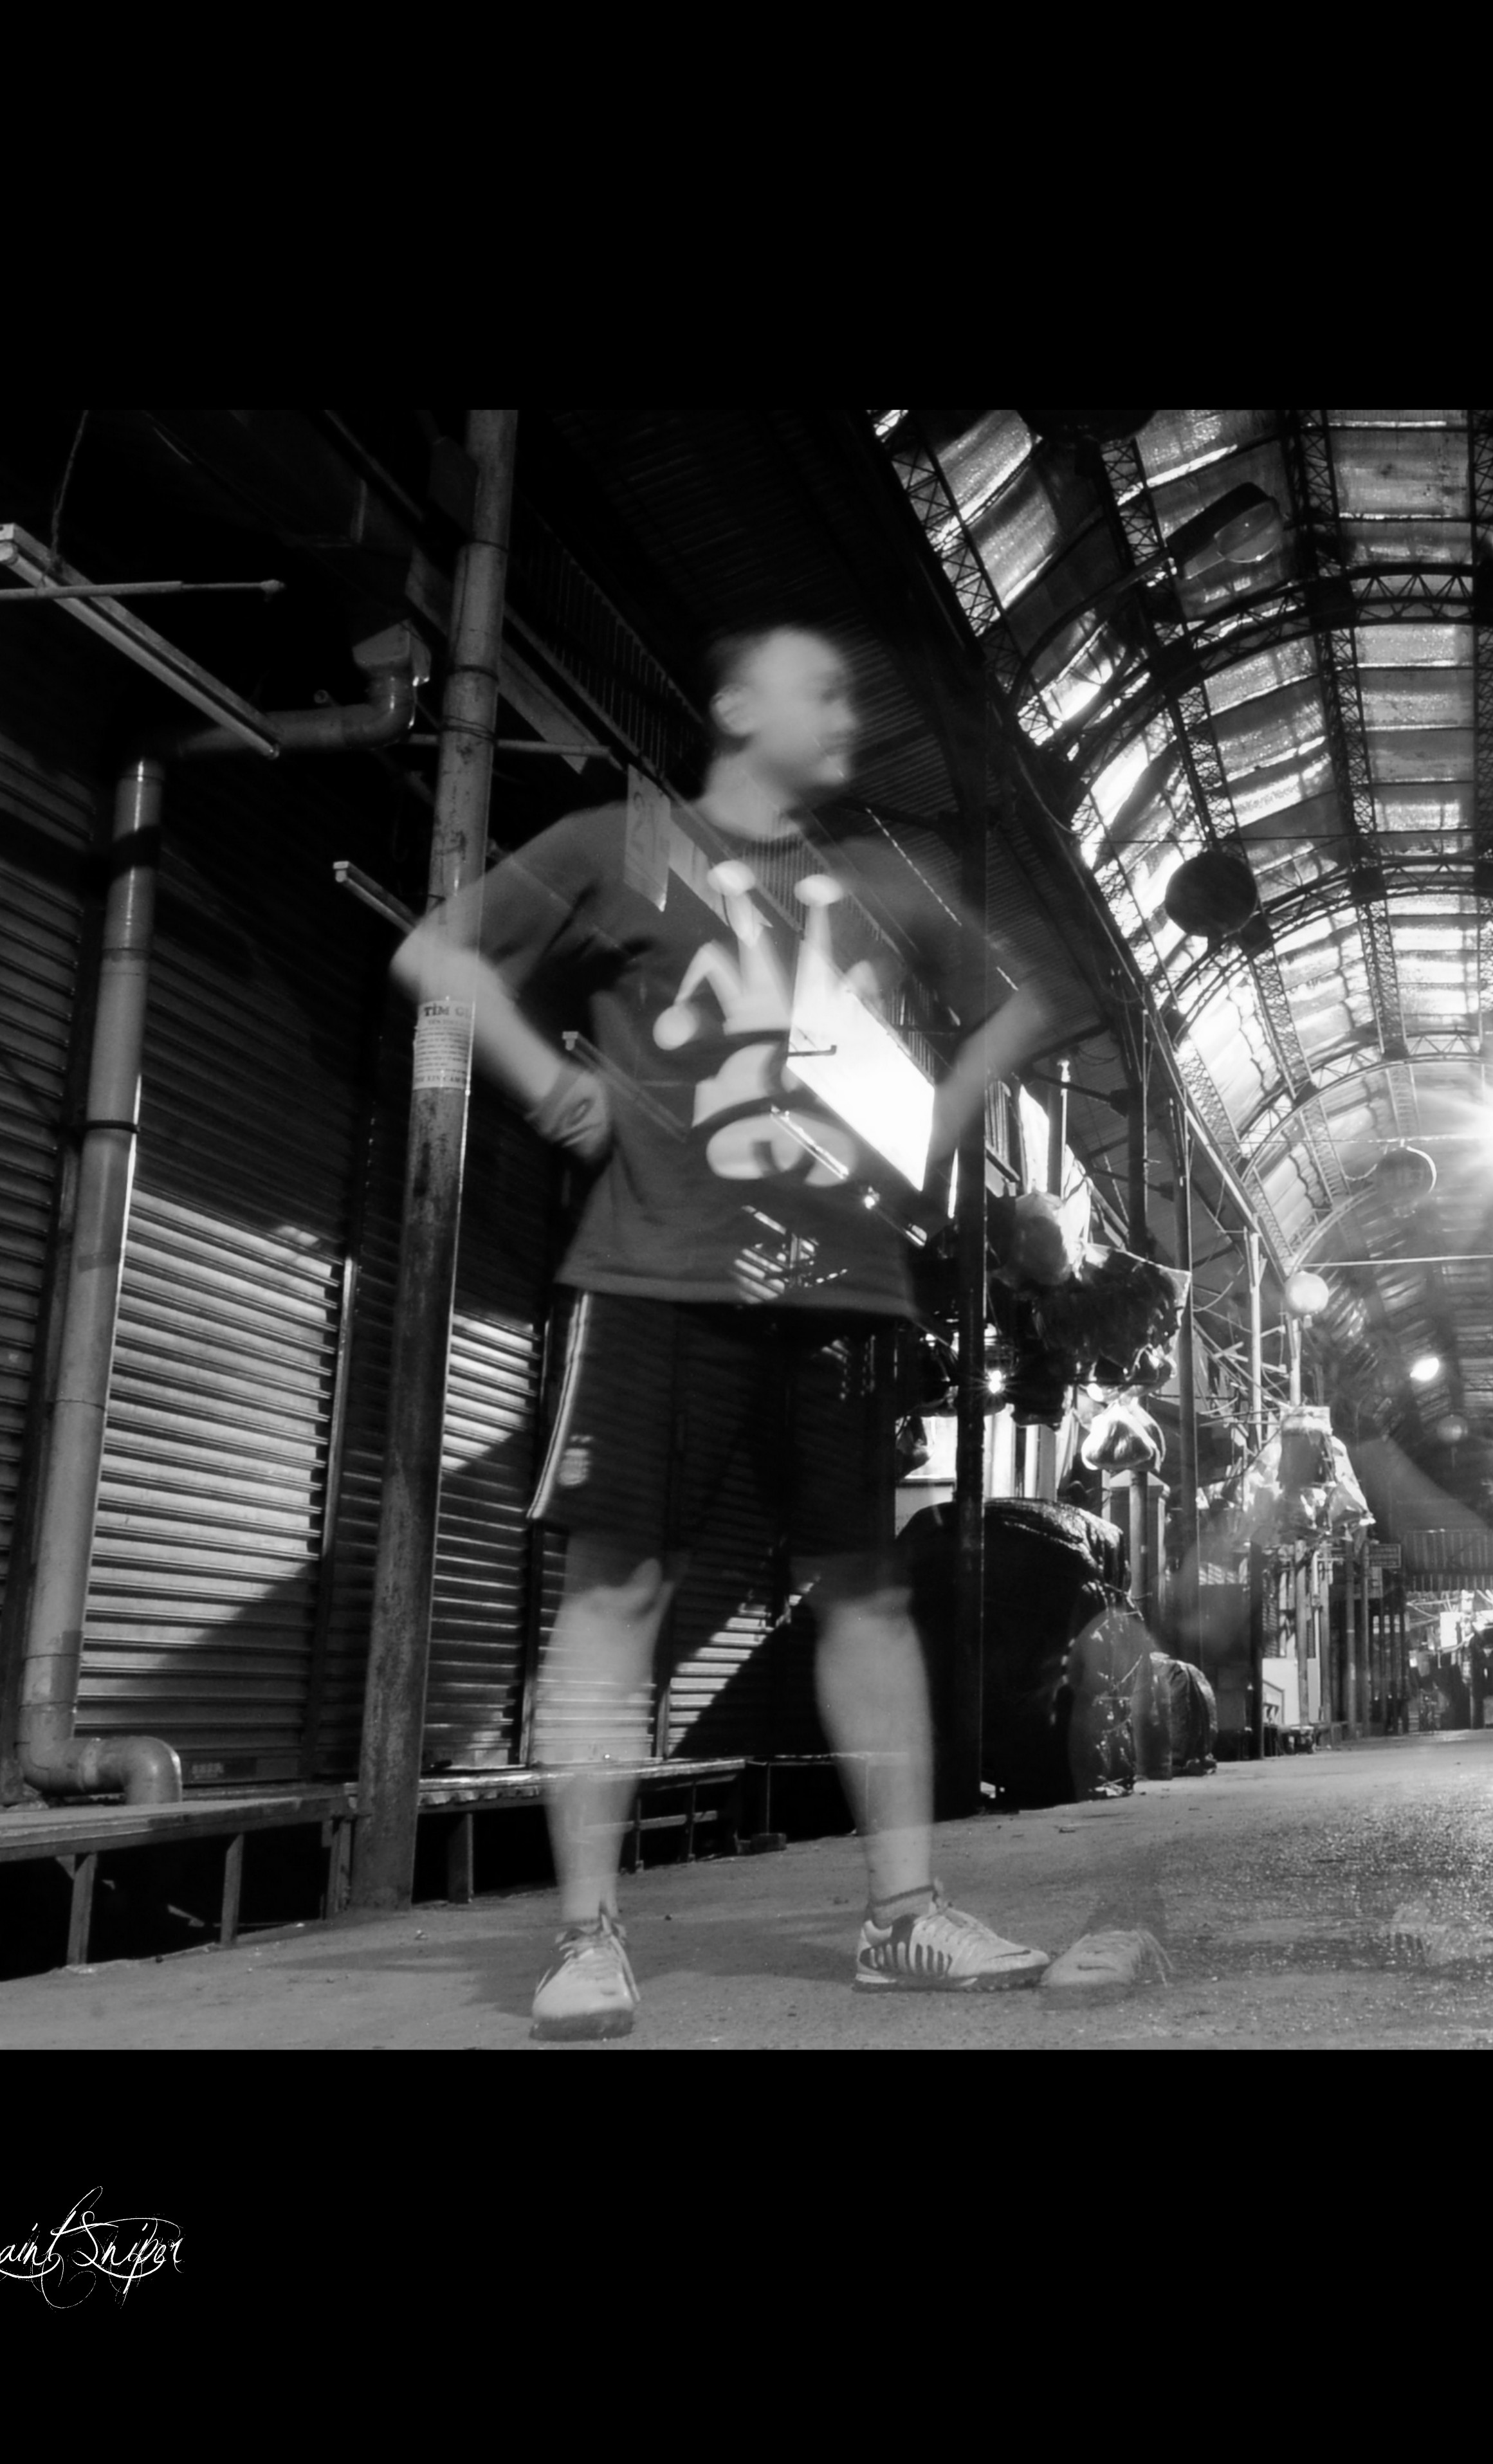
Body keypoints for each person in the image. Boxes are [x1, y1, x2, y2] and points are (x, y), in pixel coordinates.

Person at [391, 623, 1059, 2040]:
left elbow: (1016, 1011)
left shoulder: (885, 882)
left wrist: (931, 1135)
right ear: (738, 706)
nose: (848, 716)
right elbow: (437, 954)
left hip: (841, 1296)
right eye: (821, 691)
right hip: (655, 1274)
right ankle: (584, 1939)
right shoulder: (625, 848)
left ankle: (904, 1920)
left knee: (865, 1596)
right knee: (615, 1591)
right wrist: (542, 1083)